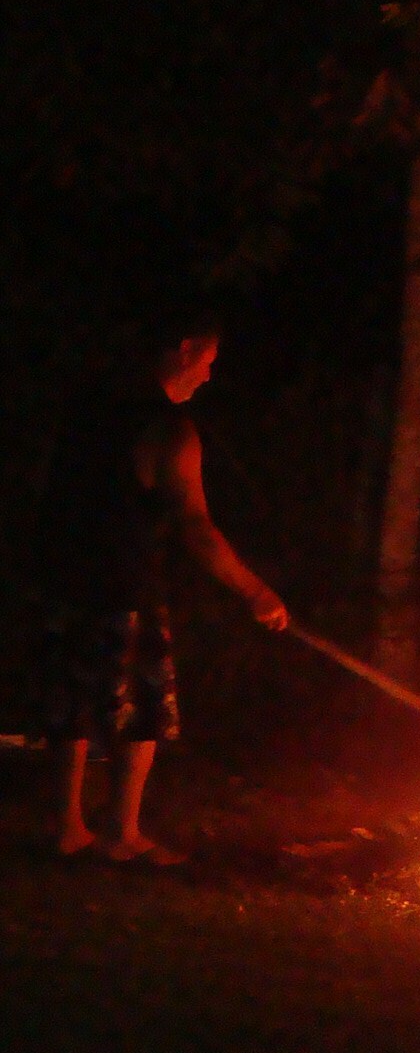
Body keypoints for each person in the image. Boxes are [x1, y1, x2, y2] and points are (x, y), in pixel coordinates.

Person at [34, 300, 288, 864]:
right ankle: (121, 833)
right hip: (126, 589)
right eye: (210, 360)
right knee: (141, 708)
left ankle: (67, 829)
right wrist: (256, 592)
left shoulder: (90, 411)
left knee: (72, 702)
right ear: (186, 349)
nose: (209, 375)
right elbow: (197, 527)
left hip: (67, 581)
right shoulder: (168, 429)